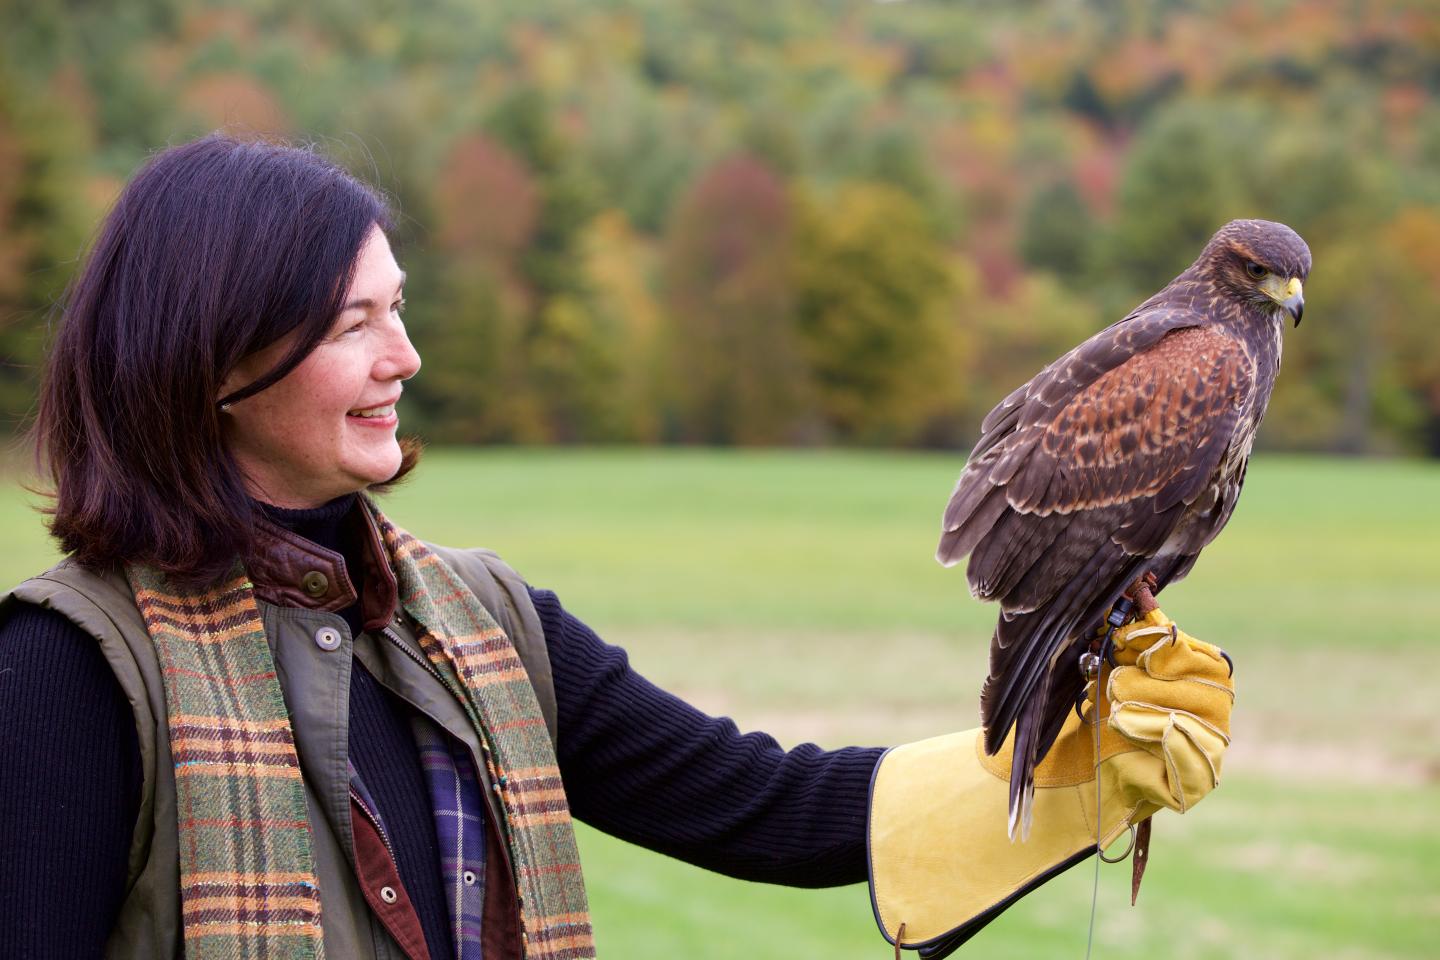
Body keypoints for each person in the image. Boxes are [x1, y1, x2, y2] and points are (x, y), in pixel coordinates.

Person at [0, 134, 1234, 959]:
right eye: (353, 323)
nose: (406, 357)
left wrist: (1075, 770)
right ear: (211, 355)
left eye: (404, 306)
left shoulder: (480, 624)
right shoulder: (71, 670)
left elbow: (766, 805)